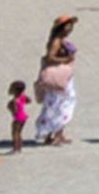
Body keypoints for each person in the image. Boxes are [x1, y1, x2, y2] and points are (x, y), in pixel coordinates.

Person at [33, 15, 79, 143]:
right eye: (68, 26)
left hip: (62, 77)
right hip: (58, 78)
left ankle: (57, 133)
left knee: (57, 105)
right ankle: (53, 134)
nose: (70, 29)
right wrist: (65, 60)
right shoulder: (56, 41)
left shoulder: (61, 40)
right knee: (61, 104)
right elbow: (50, 57)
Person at [8, 79, 29, 154]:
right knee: (19, 132)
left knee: (15, 133)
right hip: (24, 116)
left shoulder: (15, 100)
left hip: (18, 117)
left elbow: (15, 110)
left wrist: (10, 108)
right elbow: (28, 100)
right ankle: (19, 147)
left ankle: (15, 148)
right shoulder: (22, 96)